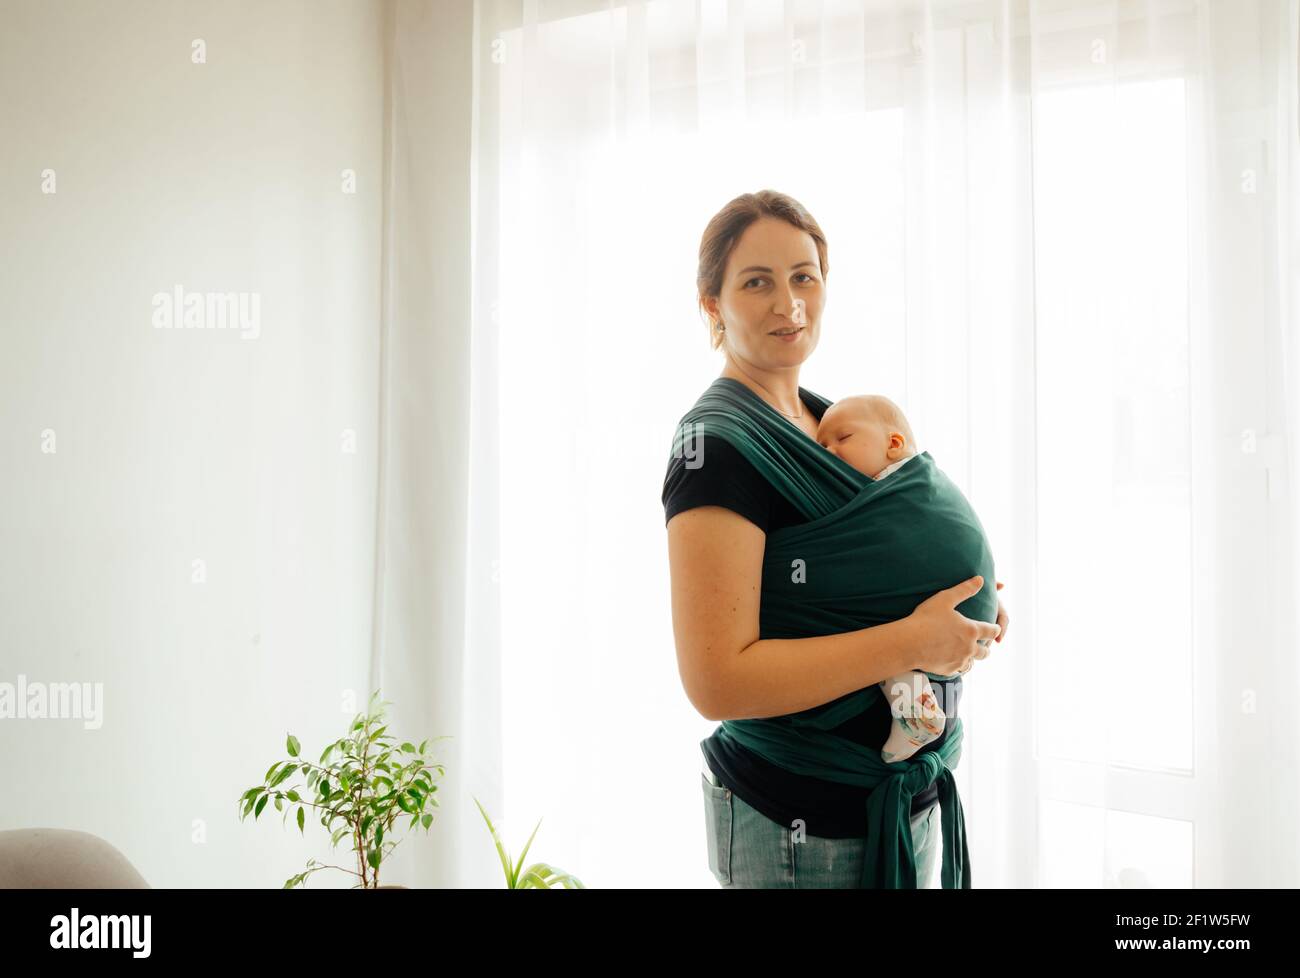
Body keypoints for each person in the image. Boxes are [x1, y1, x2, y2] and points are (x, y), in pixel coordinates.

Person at [662, 190, 1010, 888]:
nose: (787, 301)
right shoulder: (714, 447)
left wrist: (962, 609)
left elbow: (873, 564)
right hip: (799, 824)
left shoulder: (828, 420)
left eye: (804, 275)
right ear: (712, 305)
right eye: (756, 281)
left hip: (902, 805)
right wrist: (915, 640)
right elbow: (716, 680)